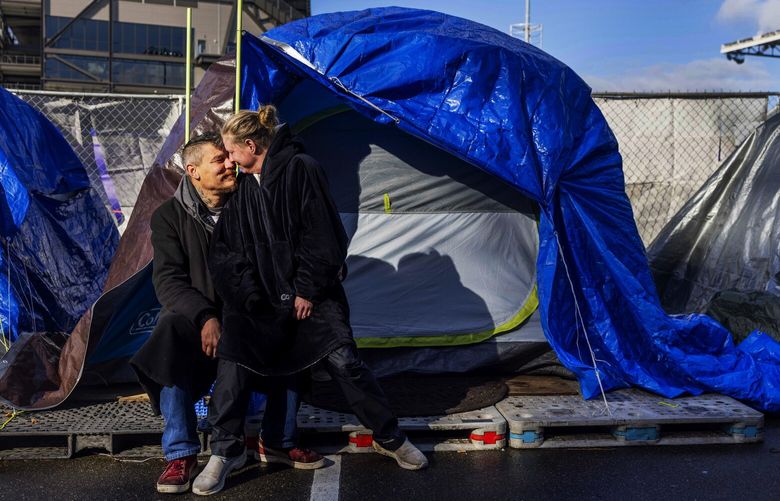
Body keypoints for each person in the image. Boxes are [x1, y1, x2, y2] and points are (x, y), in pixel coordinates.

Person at [194, 106, 427, 494]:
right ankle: (223, 452)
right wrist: (249, 296)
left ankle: (391, 438)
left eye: (233, 152)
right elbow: (226, 254)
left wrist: (306, 289)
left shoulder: (303, 168)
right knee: (232, 367)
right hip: (258, 303)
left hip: (311, 296)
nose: (230, 160)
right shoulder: (243, 188)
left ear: (251, 145)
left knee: (344, 361)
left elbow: (324, 236)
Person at [130, 133, 322, 496]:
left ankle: (277, 440)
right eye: (219, 160)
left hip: (250, 314)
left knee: (296, 328)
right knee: (167, 331)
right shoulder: (169, 217)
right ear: (193, 171)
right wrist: (205, 317)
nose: (230, 163)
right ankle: (181, 452)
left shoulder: (251, 200)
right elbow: (169, 281)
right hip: (202, 319)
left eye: (229, 157)